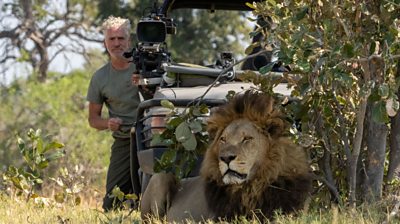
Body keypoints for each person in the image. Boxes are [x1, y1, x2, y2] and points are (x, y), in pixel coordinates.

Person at [86, 16, 141, 211]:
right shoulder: (100, 77)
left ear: (129, 41)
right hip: (124, 140)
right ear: (105, 43)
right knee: (111, 204)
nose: (117, 43)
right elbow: (93, 119)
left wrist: (145, 85)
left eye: (121, 38)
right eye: (112, 39)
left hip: (152, 137)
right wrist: (108, 123)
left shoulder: (144, 66)